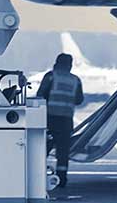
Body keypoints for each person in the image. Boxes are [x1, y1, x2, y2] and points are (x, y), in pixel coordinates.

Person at [36, 52, 84, 185]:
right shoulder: (75, 80)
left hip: (50, 119)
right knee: (63, 152)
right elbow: (79, 100)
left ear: (56, 63)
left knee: (42, 149)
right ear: (70, 65)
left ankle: (37, 176)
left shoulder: (51, 76)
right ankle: (62, 179)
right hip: (66, 120)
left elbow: (40, 95)